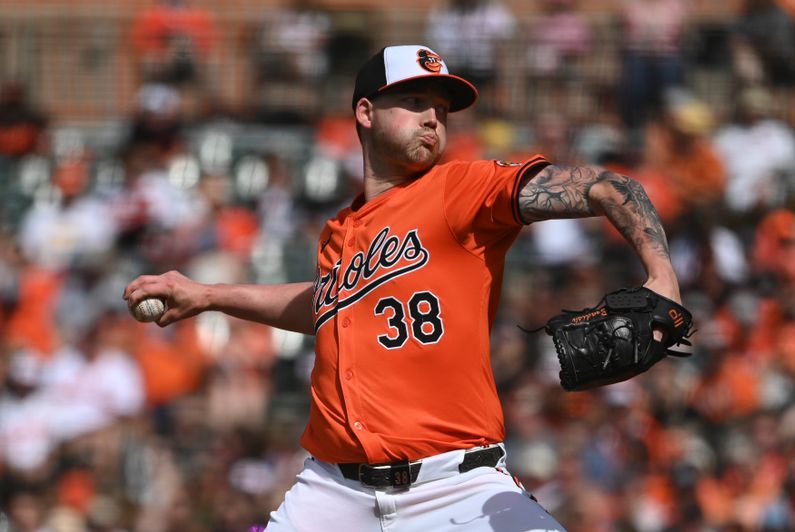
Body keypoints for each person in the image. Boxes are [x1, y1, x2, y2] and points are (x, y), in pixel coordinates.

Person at [124, 44, 683, 531]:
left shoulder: (460, 190)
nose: (433, 120)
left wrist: (663, 277)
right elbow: (327, 305)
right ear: (365, 112)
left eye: (440, 110)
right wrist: (208, 295)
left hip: (457, 485)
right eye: (415, 102)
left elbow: (610, 187)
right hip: (332, 493)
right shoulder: (339, 233)